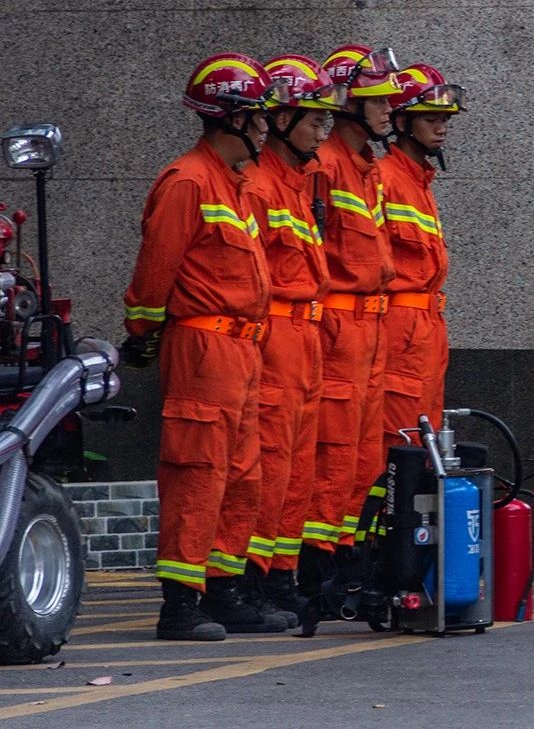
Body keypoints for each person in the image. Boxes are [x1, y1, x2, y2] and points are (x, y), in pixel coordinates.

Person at [121, 53, 292, 640]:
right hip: (203, 347)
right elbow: (155, 273)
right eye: (260, 117)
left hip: (242, 350)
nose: (268, 128)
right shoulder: (188, 181)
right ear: (231, 120)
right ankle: (182, 604)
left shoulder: (236, 185)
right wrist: (142, 332)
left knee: (241, 475)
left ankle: (223, 590)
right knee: (198, 472)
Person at [240, 55, 339, 623]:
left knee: (296, 470)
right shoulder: (258, 186)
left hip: (303, 337)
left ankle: (279, 578)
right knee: (270, 465)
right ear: (281, 120)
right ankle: (250, 583)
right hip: (272, 337)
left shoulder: (296, 185)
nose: (322, 132)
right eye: (314, 121)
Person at [301, 44, 398, 599]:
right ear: (345, 103)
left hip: (370, 331)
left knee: (363, 458)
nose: (389, 108)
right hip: (337, 330)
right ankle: (320, 568)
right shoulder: (326, 167)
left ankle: (347, 555)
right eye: (376, 98)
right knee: (333, 455)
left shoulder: (364, 169)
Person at [379, 64, 463, 443]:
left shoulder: (419, 181)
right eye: (431, 119)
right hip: (399, 328)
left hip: (426, 328)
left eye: (445, 119)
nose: (442, 127)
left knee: (425, 437)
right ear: (401, 122)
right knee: (400, 438)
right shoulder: (384, 179)